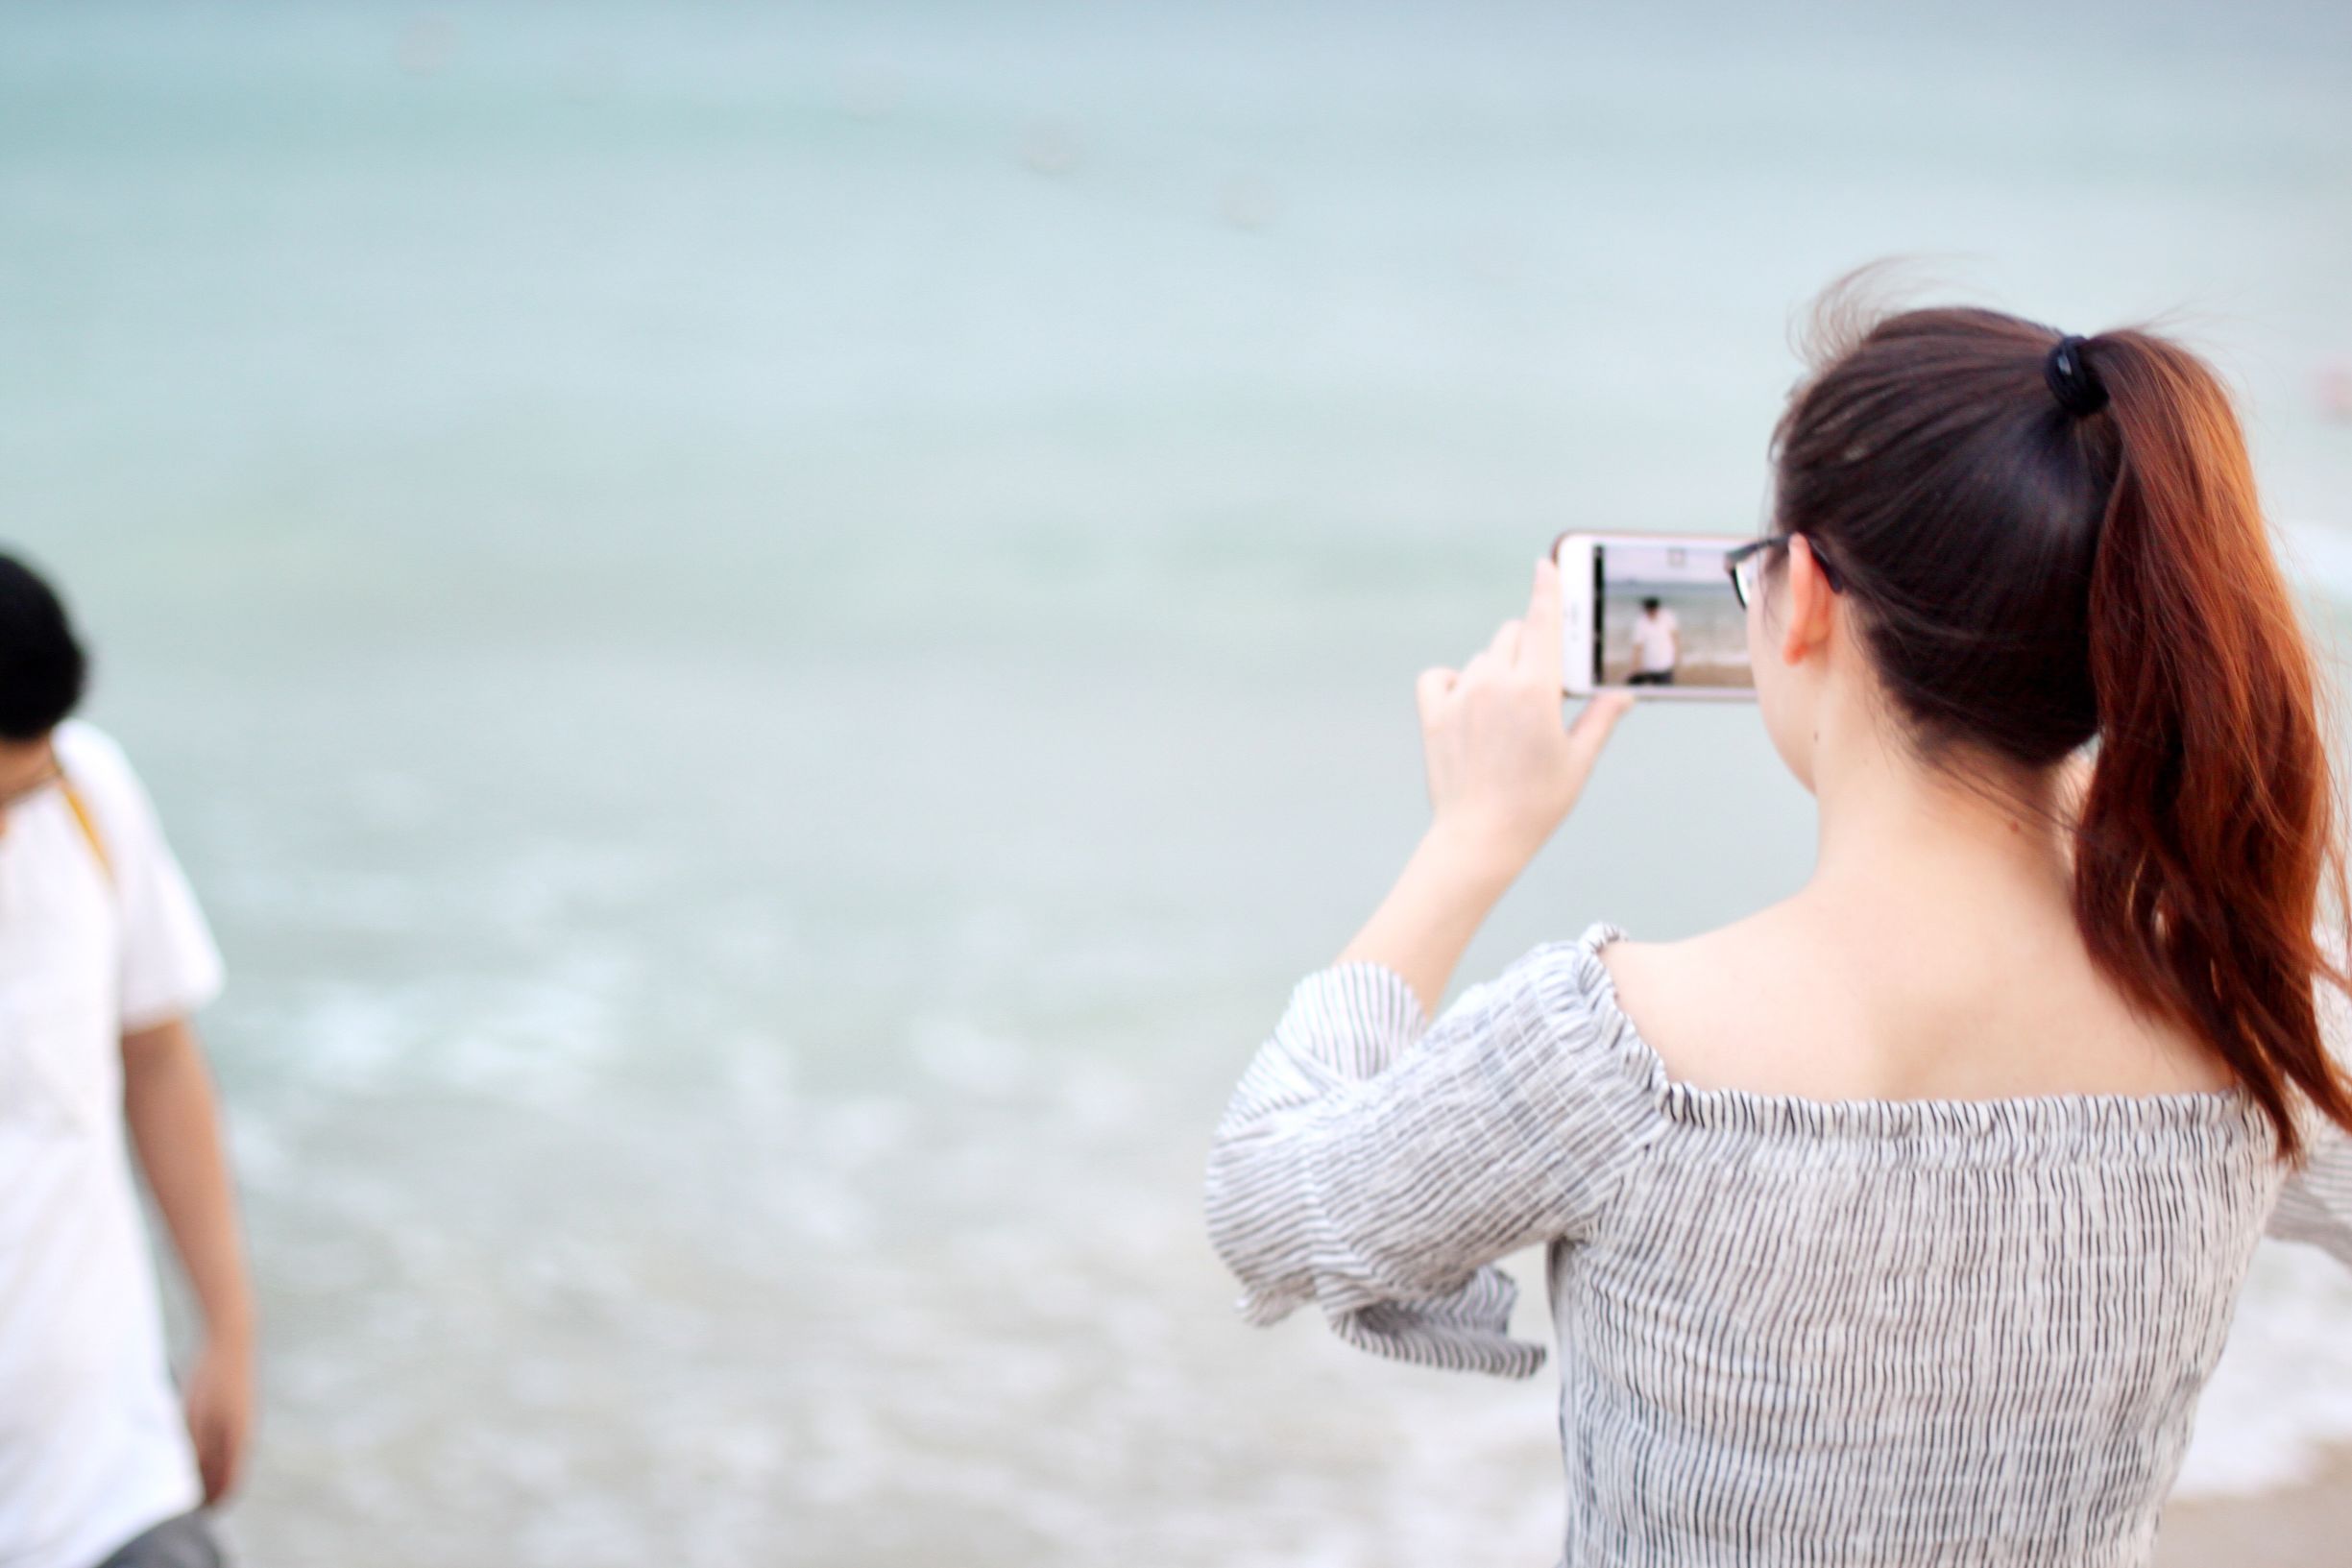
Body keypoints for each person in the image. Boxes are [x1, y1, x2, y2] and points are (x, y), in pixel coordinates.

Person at [1202, 290, 2352, 1565]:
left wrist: (1473, 835)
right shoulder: (2239, 1026)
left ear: (1800, 595)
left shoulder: (1615, 1057)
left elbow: (1267, 1197)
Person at [0, 552, 253, 1568]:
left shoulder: (88, 797)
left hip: (104, 1472)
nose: (15, 822)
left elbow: (156, 1056)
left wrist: (229, 1327)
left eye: (28, 786)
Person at [1625, 594, 1678, 686]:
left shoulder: (1667, 617)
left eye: (1652, 610)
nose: (1650, 612)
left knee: (1666, 691)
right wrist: (1633, 667)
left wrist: (1676, 656)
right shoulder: (1641, 622)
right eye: (1647, 610)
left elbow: (1675, 636)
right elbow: (1637, 646)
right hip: (1649, 664)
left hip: (1666, 663)